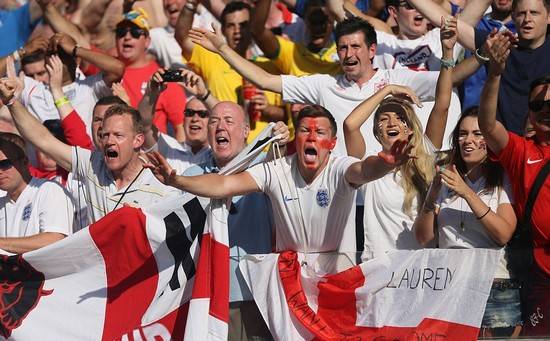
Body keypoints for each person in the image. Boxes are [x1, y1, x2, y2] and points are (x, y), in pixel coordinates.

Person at [187, 16, 477, 156]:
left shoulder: (397, 78)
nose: (349, 55)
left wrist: (484, 55)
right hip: (345, 193)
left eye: (355, 47)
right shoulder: (324, 85)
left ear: (372, 50)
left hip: (389, 190)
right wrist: (223, 49)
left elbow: (449, 80)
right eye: (342, 48)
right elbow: (265, 80)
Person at [0, 75, 178, 224]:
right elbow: (42, 139)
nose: (109, 141)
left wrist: (139, 224)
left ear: (138, 140)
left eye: (118, 135)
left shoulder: (161, 186)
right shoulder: (92, 164)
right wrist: (12, 101)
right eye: (105, 134)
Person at [182, 101, 286, 340]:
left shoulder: (266, 168)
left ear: (246, 130)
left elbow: (277, 160)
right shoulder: (192, 177)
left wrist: (279, 138)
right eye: (214, 121)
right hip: (205, 295)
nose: (220, 127)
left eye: (228, 121)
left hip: (254, 294)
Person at [414, 108, 519, 337]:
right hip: (451, 285)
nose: (468, 141)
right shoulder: (445, 179)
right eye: (462, 134)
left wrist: (467, 193)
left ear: (490, 139)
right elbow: (423, 238)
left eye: (477, 134)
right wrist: (432, 196)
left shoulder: (503, 178)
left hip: (494, 284)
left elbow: (503, 234)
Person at [478, 31, 550, 336]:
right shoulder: (522, 152)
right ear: (530, 115)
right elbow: (487, 125)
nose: (546, 108)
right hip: (542, 276)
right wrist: (494, 74)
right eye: (538, 105)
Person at [408, 0, 550, 136]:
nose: (527, 19)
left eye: (534, 13)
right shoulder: (498, 46)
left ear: (548, 17)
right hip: (504, 147)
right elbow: (446, 21)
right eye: (521, 13)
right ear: (513, 16)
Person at [175, 0, 286, 142]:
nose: (237, 30)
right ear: (223, 30)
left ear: (251, 28)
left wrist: (268, 109)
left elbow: (288, 116)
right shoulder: (213, 59)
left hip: (264, 153)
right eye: (231, 25)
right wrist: (191, 4)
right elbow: (182, 37)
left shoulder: (269, 67)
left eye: (243, 25)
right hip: (224, 151)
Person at [19, 33, 125, 135]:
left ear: (76, 60)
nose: (56, 58)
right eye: (51, 53)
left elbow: (118, 69)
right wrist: (21, 52)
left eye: (63, 53)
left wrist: (75, 49)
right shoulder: (33, 90)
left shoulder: (90, 87)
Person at [115, 9, 187, 141]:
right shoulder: (104, 71)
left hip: (152, 156)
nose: (127, 37)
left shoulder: (161, 77)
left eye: (135, 33)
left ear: (147, 41)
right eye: (121, 32)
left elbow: (181, 127)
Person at [0, 133, 73, 254]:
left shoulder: (49, 190)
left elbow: (54, 240)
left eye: (5, 164)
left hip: (47, 273)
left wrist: (2, 243)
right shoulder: (2, 202)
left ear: (24, 162)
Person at [250, 0, 341, 76]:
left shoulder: (345, 53)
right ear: (304, 20)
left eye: (323, 22)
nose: (318, 28)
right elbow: (257, 31)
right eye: (314, 21)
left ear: (333, 20)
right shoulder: (292, 54)